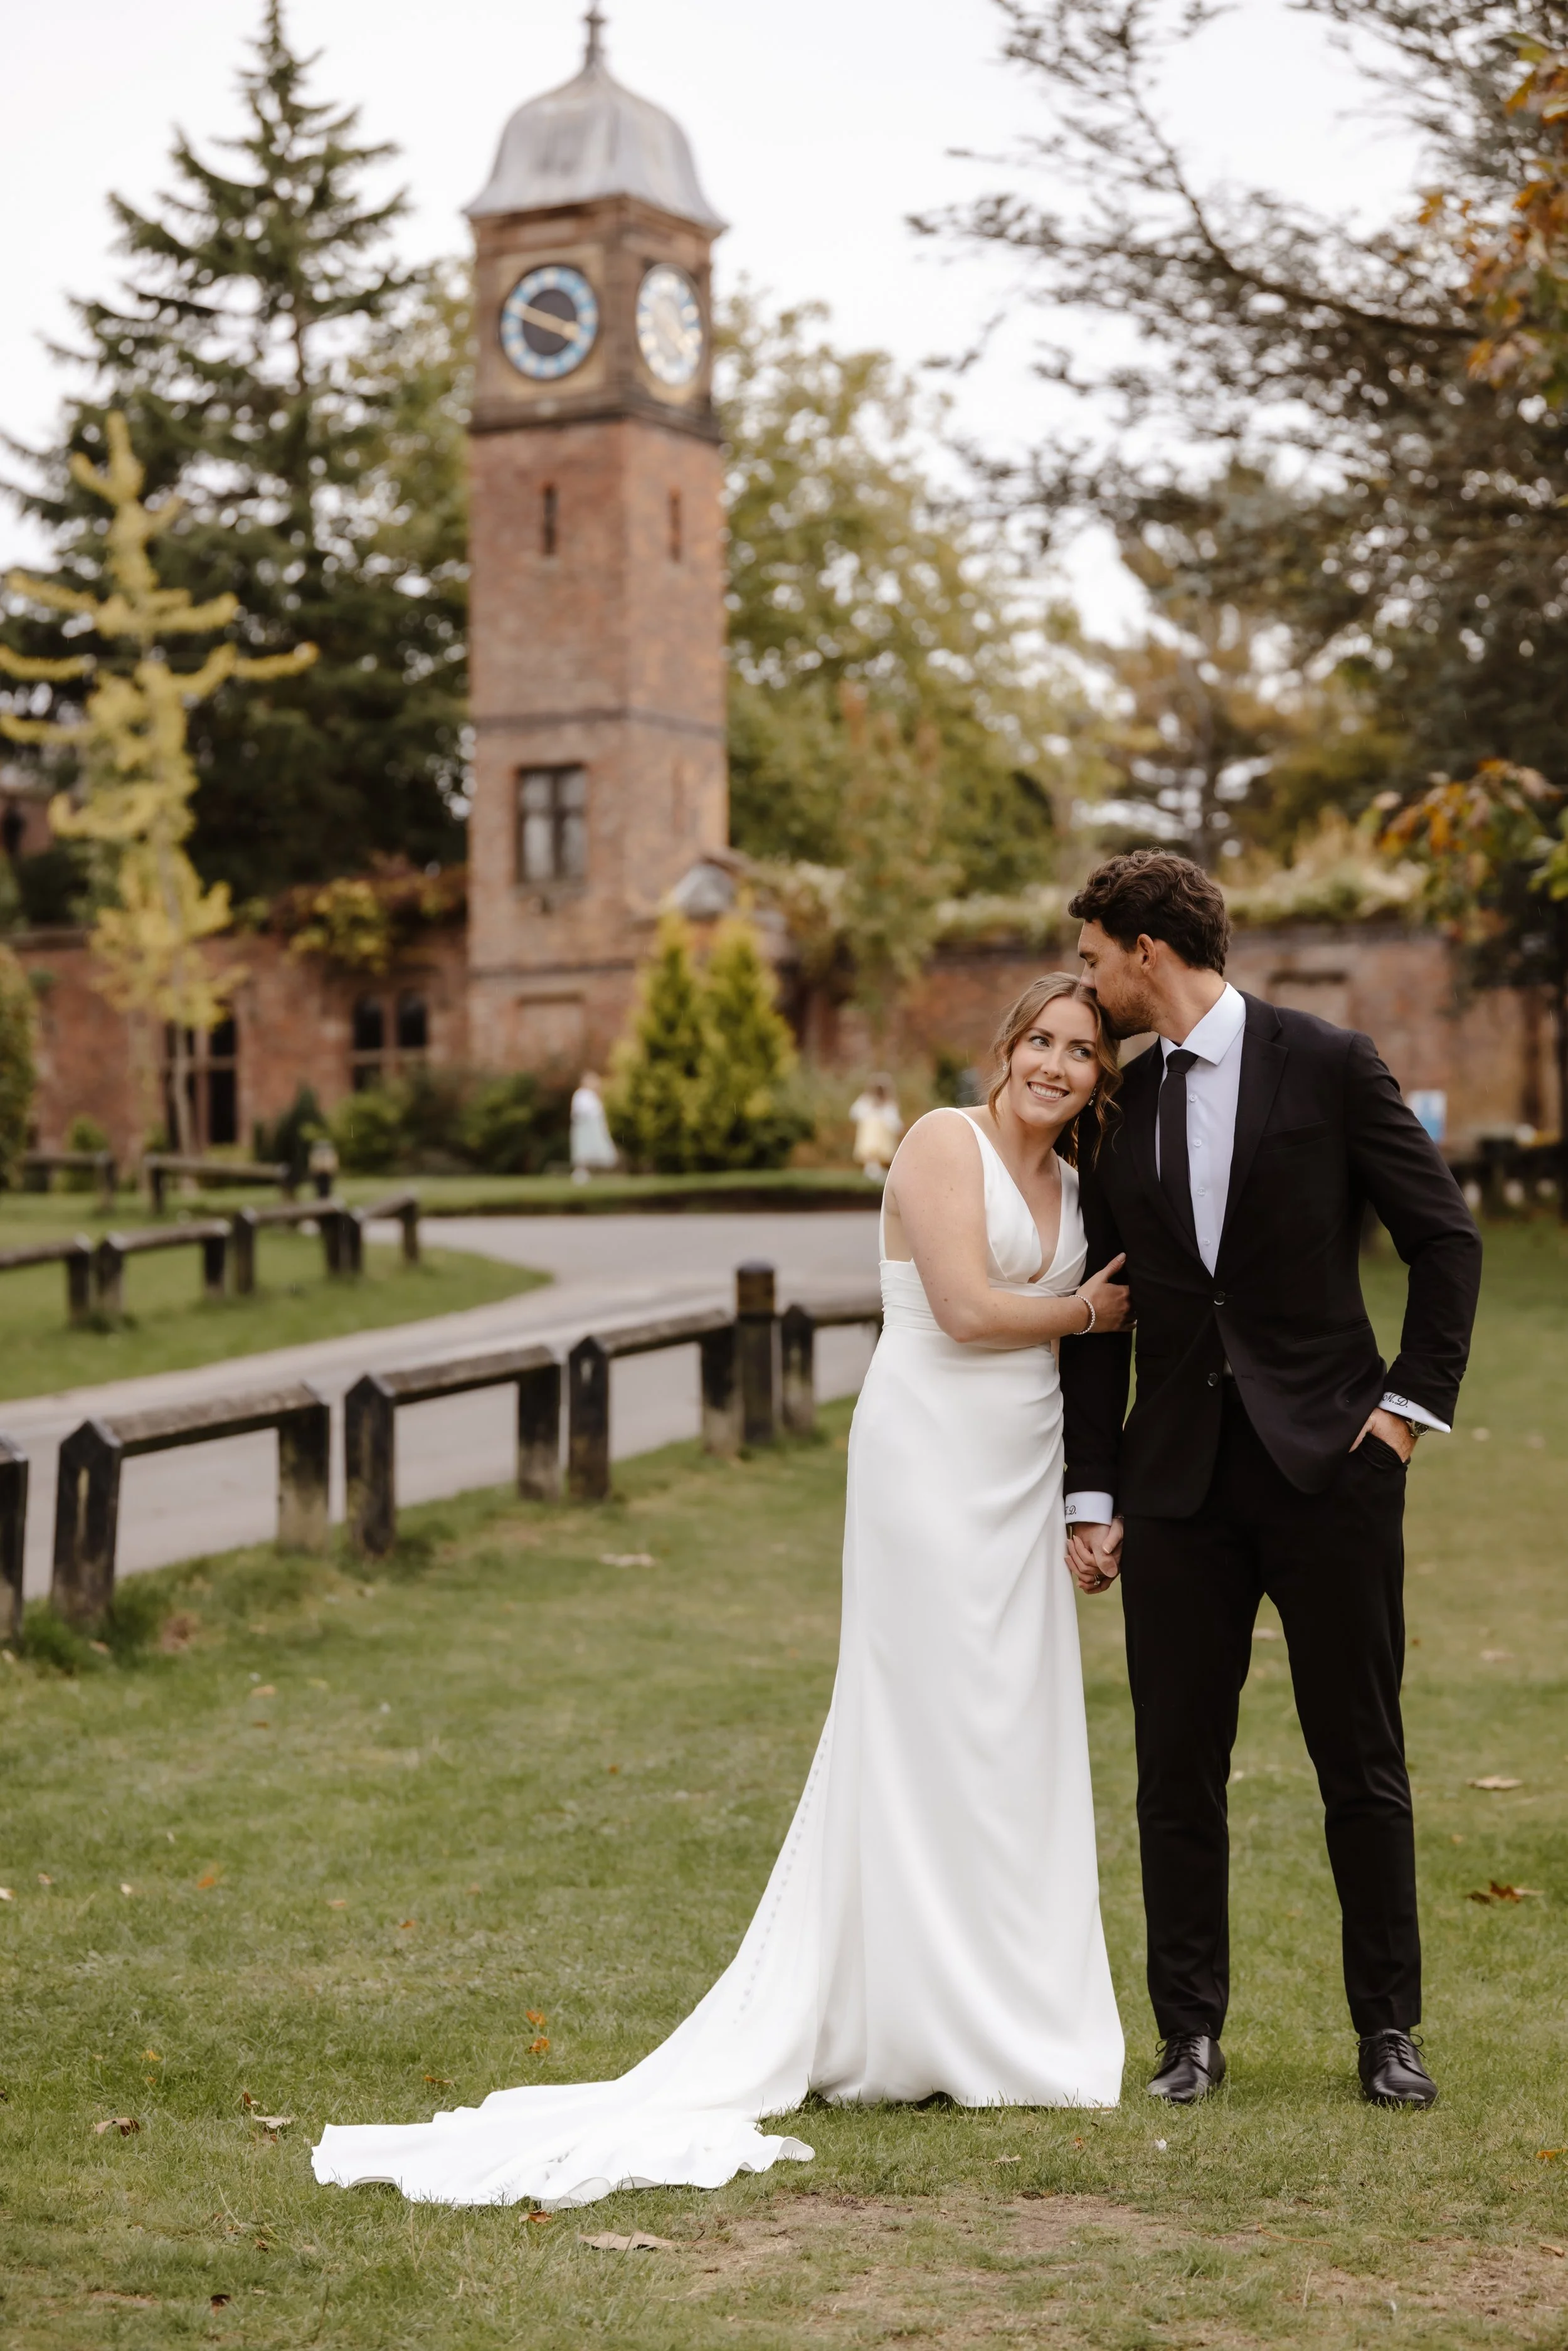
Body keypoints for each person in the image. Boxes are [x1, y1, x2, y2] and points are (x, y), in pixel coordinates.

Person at [312, 975, 1132, 2211]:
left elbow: (1075, 1357)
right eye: (1043, 1040)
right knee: (916, 1719)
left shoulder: (1075, 1187)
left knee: (1010, 1726)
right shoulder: (937, 1141)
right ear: (1005, 1046)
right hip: (925, 1458)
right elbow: (964, 1310)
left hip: (1018, 1468)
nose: (1058, 1064)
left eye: (1082, 1052)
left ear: (1096, 1078)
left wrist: (1086, 1487)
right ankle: (902, 2017)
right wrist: (1083, 1307)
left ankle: (1006, 2013)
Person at [1059, 851, 1482, 2112]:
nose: (1084, 984)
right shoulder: (1114, 1107)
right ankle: (1187, 2033)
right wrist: (1092, 1491)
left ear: (1145, 946)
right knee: (1173, 1768)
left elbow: (1443, 1239)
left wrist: (1402, 1415)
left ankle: (1386, 2028)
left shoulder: (1329, 1061)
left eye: (1091, 956)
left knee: (1359, 1755)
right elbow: (1105, 1312)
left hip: (1330, 1472)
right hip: (1174, 1485)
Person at [848, 1074, 902, 1181]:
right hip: (868, 1140)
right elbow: (854, 1115)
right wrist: (871, 1108)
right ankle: (872, 1167)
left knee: (878, 1126)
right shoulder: (865, 1102)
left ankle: (877, 1168)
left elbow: (897, 1126)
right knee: (871, 1125)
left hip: (885, 1142)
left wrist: (883, 1114)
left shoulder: (890, 1105)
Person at [569, 1070, 618, 1183]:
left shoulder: (594, 1096)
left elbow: (599, 1114)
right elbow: (578, 1112)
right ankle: (581, 1173)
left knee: (598, 1151)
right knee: (583, 1151)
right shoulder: (581, 1094)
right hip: (585, 1128)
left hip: (595, 1127)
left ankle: (594, 1174)